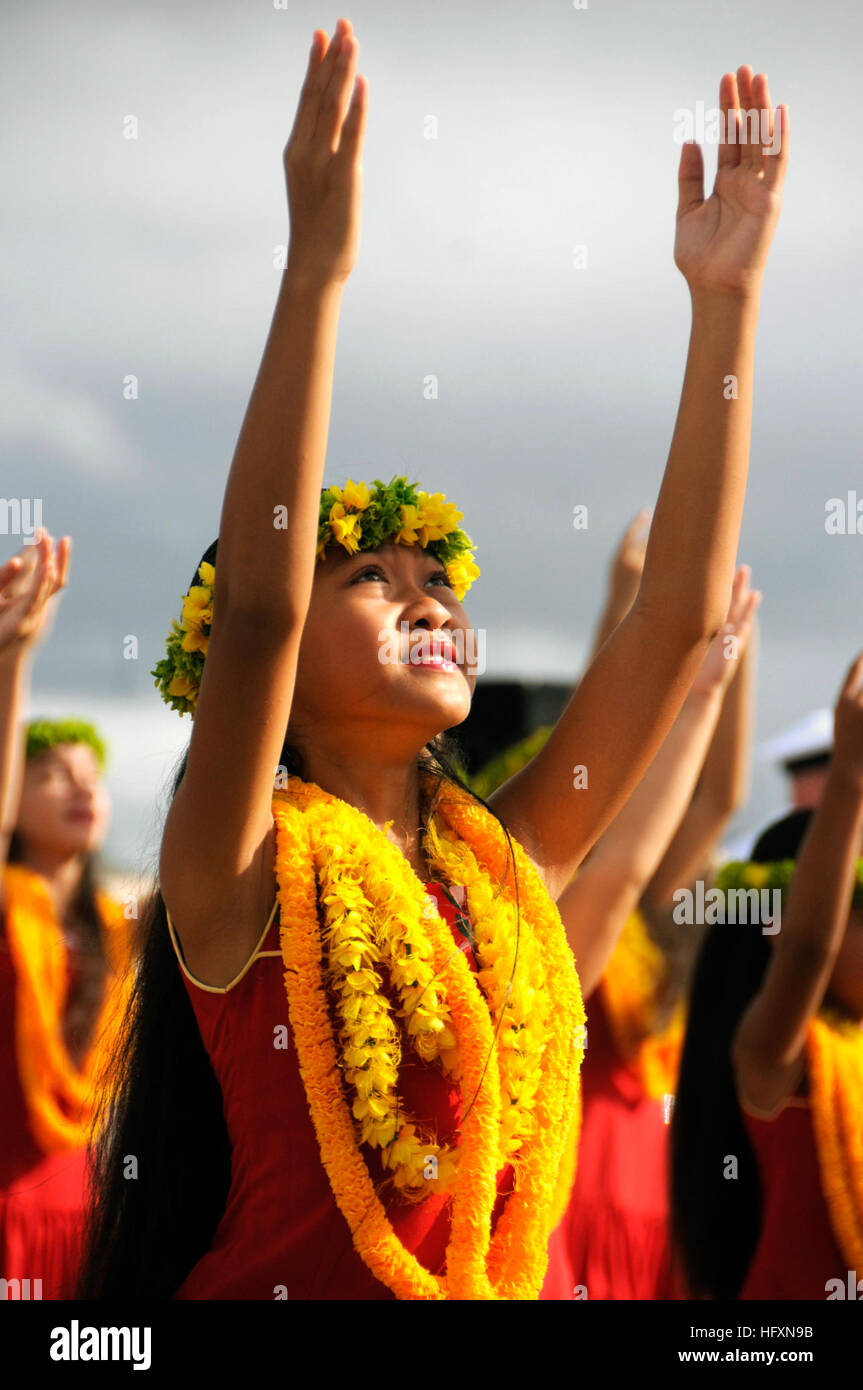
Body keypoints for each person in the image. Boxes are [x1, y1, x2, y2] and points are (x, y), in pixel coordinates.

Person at [79, 22, 788, 1300]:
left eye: (437, 583)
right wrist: (316, 273)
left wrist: (724, 307)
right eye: (374, 579)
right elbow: (253, 611)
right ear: (290, 668)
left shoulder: (502, 870)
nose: (428, 603)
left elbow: (675, 621)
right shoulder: (234, 862)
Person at [671, 651, 863, 1299]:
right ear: (777, 931)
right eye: (857, 915)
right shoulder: (773, 1055)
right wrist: (849, 780)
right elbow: (810, 948)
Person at [0, 533, 131, 1299]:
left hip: (88, 1219)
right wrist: (14, 658)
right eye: (50, 775)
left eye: (92, 777)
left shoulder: (120, 925)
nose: (80, 789)